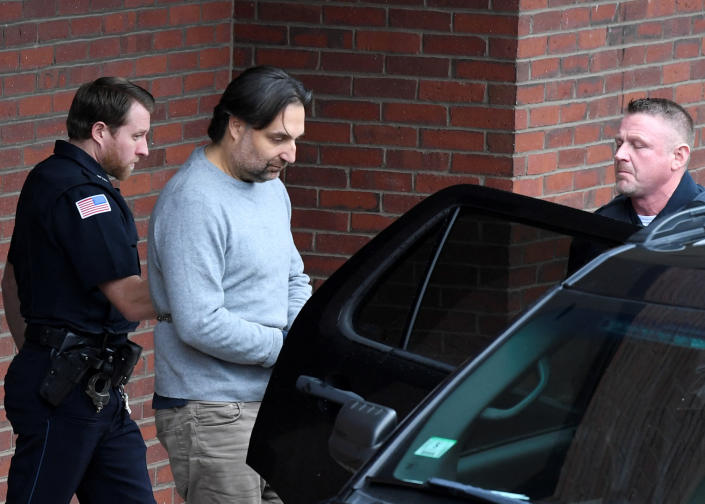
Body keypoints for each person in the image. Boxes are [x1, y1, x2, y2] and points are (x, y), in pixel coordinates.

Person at [147, 65, 313, 503]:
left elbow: (294, 276)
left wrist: (298, 334)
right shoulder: (193, 202)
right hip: (213, 413)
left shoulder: (270, 186)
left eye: (294, 139)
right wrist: (284, 348)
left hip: (273, 404)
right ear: (235, 127)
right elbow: (199, 321)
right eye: (278, 139)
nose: (290, 154)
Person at [1, 77, 157, 503]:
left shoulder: (47, 177)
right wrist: (198, 295)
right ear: (101, 131)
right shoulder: (86, 196)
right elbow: (130, 298)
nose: (144, 149)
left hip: (86, 385)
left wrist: (39, 351)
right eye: (137, 135)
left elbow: (11, 280)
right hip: (68, 391)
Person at [568, 97, 704, 272]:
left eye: (638, 145)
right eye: (619, 144)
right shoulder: (598, 226)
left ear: (678, 157)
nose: (620, 155)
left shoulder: (700, 226)